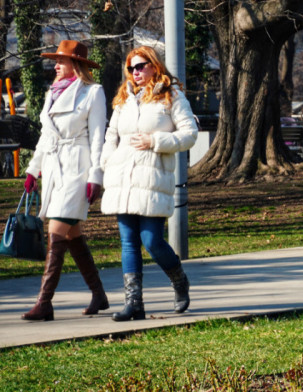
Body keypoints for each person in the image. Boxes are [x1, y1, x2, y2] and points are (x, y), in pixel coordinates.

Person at [100, 46, 198, 321]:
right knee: (128, 242)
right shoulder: (124, 99)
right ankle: (134, 304)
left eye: (141, 66)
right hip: (122, 179)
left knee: (151, 240)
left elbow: (189, 134)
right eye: (131, 68)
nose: (136, 72)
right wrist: (107, 164)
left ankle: (179, 281)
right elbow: (111, 136)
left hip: (153, 178)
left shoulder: (172, 96)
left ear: (155, 65)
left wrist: (155, 141)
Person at [22, 40, 108, 321]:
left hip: (77, 169)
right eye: (55, 61)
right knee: (72, 235)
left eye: (61, 61)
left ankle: (44, 302)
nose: (55, 65)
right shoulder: (52, 93)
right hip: (54, 169)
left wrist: (96, 176)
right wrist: (33, 170)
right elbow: (46, 137)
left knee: (56, 231)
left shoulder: (93, 92)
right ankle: (99, 294)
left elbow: (98, 138)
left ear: (77, 64)